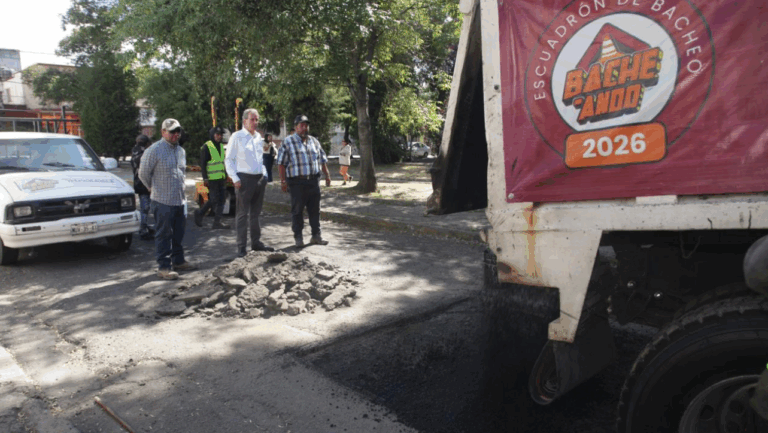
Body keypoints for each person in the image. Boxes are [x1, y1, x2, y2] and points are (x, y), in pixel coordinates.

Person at [138, 118, 196, 280]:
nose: (176, 135)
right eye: (172, 132)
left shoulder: (180, 151)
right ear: (163, 132)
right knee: (163, 235)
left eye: (178, 131)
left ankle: (178, 261)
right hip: (162, 200)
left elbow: (181, 174)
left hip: (179, 200)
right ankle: (164, 267)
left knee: (178, 233)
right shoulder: (154, 150)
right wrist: (151, 188)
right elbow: (143, 174)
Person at [225, 108, 275, 257]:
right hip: (244, 180)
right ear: (244, 120)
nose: (255, 122)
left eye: (256, 119)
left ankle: (256, 243)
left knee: (256, 213)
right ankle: (241, 249)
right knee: (242, 215)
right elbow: (229, 159)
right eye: (252, 119)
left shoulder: (258, 137)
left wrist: (264, 175)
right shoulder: (237, 136)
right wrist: (235, 178)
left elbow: (260, 158)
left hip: (259, 179)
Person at [277, 115, 331, 247]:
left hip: (313, 181)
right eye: (301, 125)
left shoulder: (314, 141)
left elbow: (322, 160)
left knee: (314, 210)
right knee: (297, 211)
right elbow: (281, 164)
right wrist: (283, 181)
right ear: (295, 127)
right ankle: (298, 237)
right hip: (297, 183)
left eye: (306, 125)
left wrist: (327, 175)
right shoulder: (288, 142)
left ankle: (316, 236)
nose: (304, 128)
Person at [195, 126, 230, 229]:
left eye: (221, 135)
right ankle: (200, 213)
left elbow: (222, 162)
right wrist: (205, 178)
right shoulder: (207, 146)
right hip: (212, 178)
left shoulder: (221, 147)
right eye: (218, 134)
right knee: (214, 199)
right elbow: (203, 163)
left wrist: (226, 175)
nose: (220, 137)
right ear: (212, 135)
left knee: (222, 199)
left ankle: (217, 222)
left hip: (221, 178)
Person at [131, 134, 154, 240]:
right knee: (145, 208)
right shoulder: (143, 153)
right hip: (144, 184)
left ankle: (144, 226)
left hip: (140, 184)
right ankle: (143, 229)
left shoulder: (135, 151)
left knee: (146, 207)